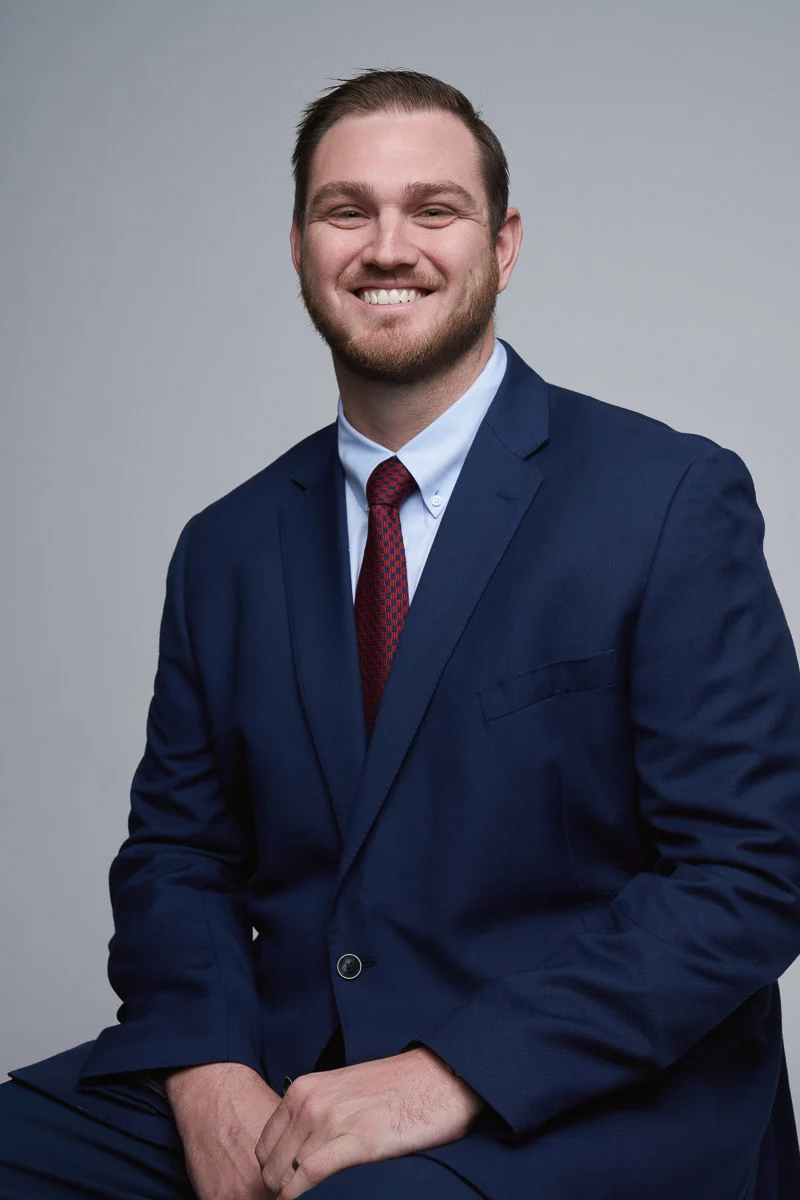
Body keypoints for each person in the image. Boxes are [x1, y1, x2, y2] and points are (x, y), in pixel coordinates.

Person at [2, 67, 800, 1200]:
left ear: (503, 244)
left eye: (433, 209)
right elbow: (180, 856)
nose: (388, 246)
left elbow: (747, 872)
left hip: (583, 1094)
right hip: (288, 1063)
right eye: (346, 211)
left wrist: (446, 1073)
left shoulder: (665, 497)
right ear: (297, 246)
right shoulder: (223, 546)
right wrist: (209, 1069)